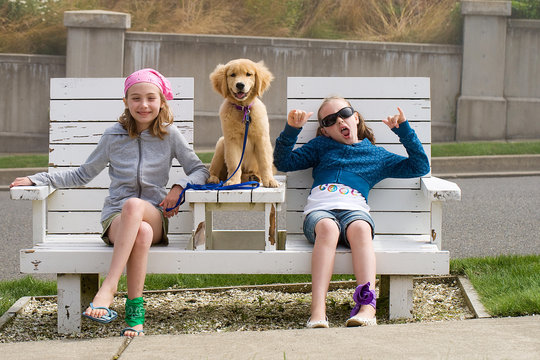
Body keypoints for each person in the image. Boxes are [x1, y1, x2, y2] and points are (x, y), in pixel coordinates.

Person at [10, 68, 209, 337]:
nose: (144, 104)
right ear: (126, 102)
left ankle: (110, 285)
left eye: (151, 98)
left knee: (136, 207)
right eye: (136, 98)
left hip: (154, 214)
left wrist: (178, 186)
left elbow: (200, 170)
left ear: (162, 102)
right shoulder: (113, 136)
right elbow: (82, 174)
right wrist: (38, 178)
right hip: (116, 220)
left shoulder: (170, 134)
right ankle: (135, 314)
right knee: (140, 230)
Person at [273, 96, 430, 328]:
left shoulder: (376, 155)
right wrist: (292, 130)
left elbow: (420, 166)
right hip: (320, 213)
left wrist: (403, 131)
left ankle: (367, 307)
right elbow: (283, 162)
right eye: (329, 120)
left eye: (344, 114)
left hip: (354, 212)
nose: (339, 121)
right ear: (325, 131)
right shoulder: (320, 147)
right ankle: (317, 311)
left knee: (361, 228)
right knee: (327, 228)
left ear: (355, 118)